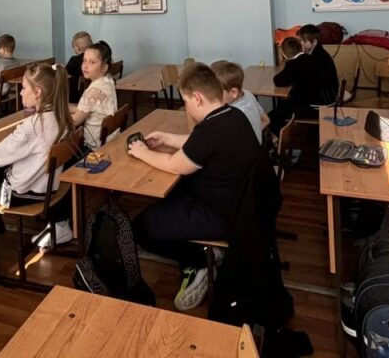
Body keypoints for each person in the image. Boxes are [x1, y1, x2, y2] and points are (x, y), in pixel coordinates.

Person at [128, 62, 261, 311]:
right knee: (171, 197)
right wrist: (167, 138)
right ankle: (204, 252)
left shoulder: (211, 129)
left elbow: (174, 165)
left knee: (140, 227)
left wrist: (142, 152)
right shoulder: (233, 115)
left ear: (197, 98)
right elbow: (199, 142)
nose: (187, 108)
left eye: (186, 102)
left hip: (220, 215)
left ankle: (199, 259)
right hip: (239, 207)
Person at [0, 63, 77, 249]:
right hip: (49, 188)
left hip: (22, 194)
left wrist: (14, 135)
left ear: (38, 92)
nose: (21, 93)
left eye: (23, 88)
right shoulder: (63, 118)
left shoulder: (34, 126)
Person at [267, 32, 332, 134]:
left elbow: (278, 81)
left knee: (271, 116)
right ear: (301, 47)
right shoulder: (309, 57)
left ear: (283, 54)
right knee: (282, 105)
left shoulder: (294, 64)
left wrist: (286, 63)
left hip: (315, 107)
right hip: (326, 100)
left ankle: (279, 139)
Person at [71, 40, 117, 150]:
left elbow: (73, 121)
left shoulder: (93, 93)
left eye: (92, 62)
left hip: (95, 149)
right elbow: (88, 109)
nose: (85, 66)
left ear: (104, 67)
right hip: (110, 139)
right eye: (84, 60)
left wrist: (54, 116)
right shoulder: (108, 80)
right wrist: (63, 108)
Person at [210, 60, 269, 144]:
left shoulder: (233, 113)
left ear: (233, 92)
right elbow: (266, 120)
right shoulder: (248, 93)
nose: (212, 96)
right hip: (257, 147)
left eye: (216, 92)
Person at [65, 30, 92, 104]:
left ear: (77, 48)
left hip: (75, 97)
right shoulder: (94, 60)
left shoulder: (74, 60)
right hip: (88, 93)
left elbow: (64, 73)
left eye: (73, 47)